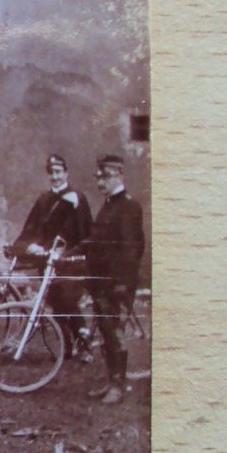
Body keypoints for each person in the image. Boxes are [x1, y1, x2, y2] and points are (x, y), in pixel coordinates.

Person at [11, 154, 95, 360]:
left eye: (59, 172)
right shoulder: (44, 199)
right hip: (47, 260)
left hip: (69, 261)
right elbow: (33, 228)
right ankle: (66, 345)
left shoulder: (76, 198)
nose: (55, 176)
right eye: (51, 173)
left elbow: (86, 232)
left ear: (66, 173)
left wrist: (71, 253)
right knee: (55, 302)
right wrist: (30, 244)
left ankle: (84, 344)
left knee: (69, 300)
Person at [82, 154, 145, 404]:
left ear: (119, 175)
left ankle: (119, 385)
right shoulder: (108, 205)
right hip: (101, 282)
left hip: (117, 284)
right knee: (106, 333)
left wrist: (122, 284)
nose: (100, 182)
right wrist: (77, 250)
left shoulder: (129, 207)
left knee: (115, 334)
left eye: (105, 177)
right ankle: (111, 380)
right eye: (98, 177)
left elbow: (132, 250)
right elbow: (98, 242)